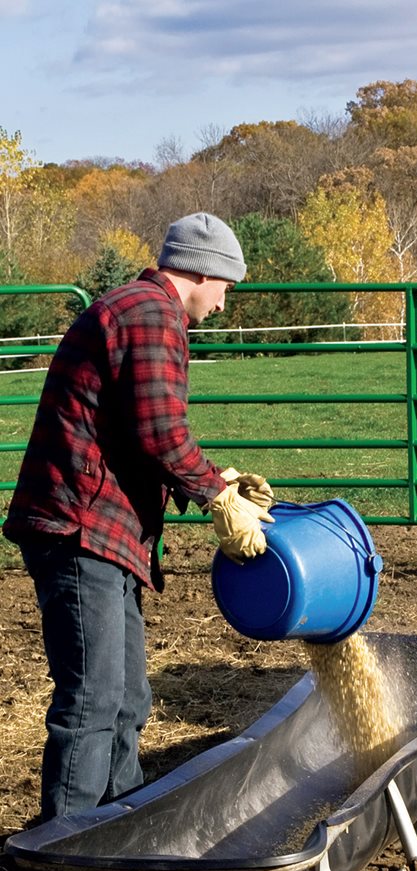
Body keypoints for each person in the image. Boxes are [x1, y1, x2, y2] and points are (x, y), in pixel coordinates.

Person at [3, 212, 274, 821]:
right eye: (227, 286)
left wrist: (215, 478)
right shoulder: (151, 315)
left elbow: (135, 430)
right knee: (94, 699)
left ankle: (117, 832)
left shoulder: (138, 310)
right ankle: (60, 859)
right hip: (80, 528)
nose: (226, 304)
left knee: (127, 700)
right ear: (202, 270)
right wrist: (215, 496)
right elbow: (160, 431)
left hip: (99, 527)